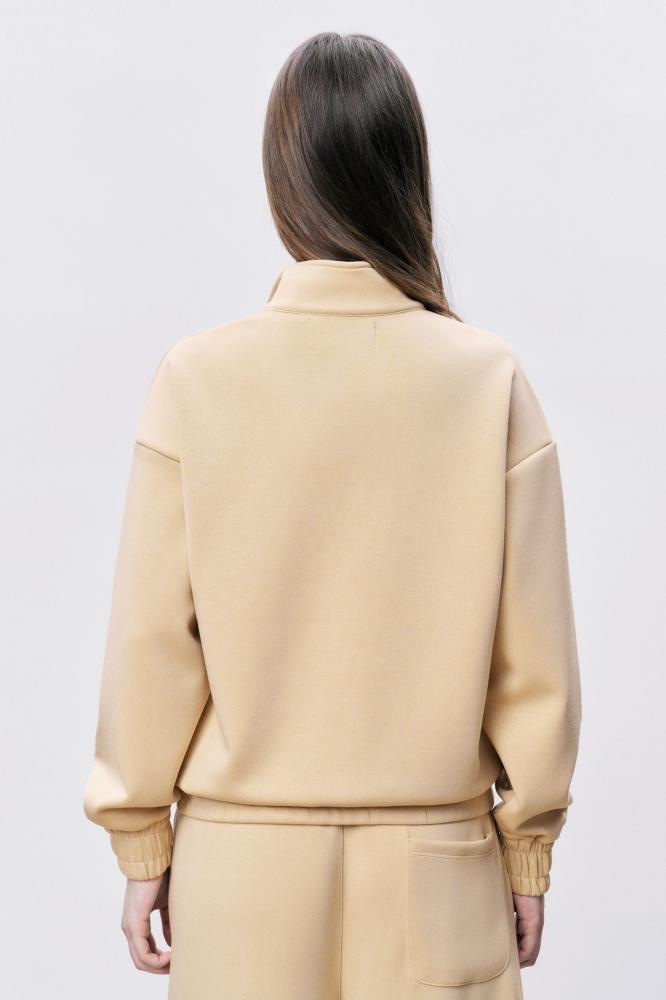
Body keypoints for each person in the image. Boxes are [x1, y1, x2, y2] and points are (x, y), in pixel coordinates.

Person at [83, 31, 581, 1000]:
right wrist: (527, 851)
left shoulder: (199, 380)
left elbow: (152, 644)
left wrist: (140, 839)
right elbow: (535, 660)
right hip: (437, 870)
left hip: (241, 874)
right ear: (406, 176)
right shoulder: (487, 380)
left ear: (284, 182)